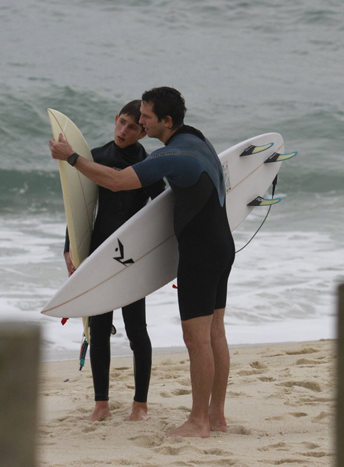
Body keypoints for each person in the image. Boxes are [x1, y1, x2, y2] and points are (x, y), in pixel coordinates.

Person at [49, 87, 235, 438]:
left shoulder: (173, 155)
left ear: (166, 121)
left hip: (199, 255)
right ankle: (216, 416)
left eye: (146, 117)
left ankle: (198, 422)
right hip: (223, 246)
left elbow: (118, 182)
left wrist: (72, 158)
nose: (141, 122)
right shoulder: (197, 140)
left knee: (197, 340)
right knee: (215, 333)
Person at [61, 100, 166, 422]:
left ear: (143, 131)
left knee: (137, 330)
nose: (123, 131)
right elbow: (79, 205)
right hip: (97, 253)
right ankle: (101, 404)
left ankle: (140, 404)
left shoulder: (148, 167)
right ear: (115, 119)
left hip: (131, 257)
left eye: (132, 127)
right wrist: (70, 248)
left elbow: (160, 212)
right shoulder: (96, 158)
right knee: (99, 328)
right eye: (121, 122)